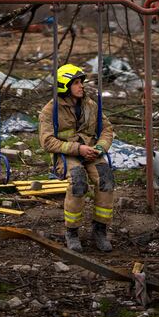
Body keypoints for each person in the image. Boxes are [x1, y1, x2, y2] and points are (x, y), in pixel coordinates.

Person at [39, 63, 115, 253]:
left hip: (91, 152)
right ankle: (71, 232)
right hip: (66, 155)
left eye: (82, 82)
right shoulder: (50, 110)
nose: (81, 86)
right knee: (78, 181)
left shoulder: (90, 105)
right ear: (64, 86)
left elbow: (106, 129)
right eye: (77, 83)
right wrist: (77, 149)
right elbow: (47, 141)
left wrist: (99, 147)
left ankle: (100, 230)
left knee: (105, 179)